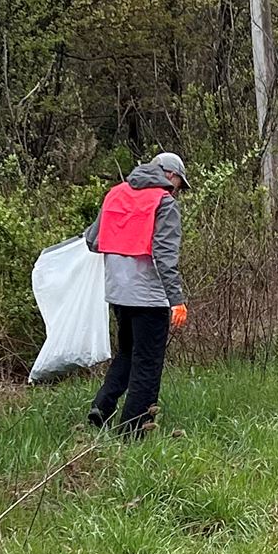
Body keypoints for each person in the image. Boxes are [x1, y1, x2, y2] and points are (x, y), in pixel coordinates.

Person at [85, 151, 189, 437]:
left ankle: (102, 407)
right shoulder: (164, 204)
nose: (175, 191)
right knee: (148, 363)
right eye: (178, 184)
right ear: (169, 174)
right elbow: (165, 257)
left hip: (117, 293)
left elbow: (92, 241)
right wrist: (176, 300)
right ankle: (132, 432)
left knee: (128, 353)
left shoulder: (115, 194)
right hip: (150, 297)